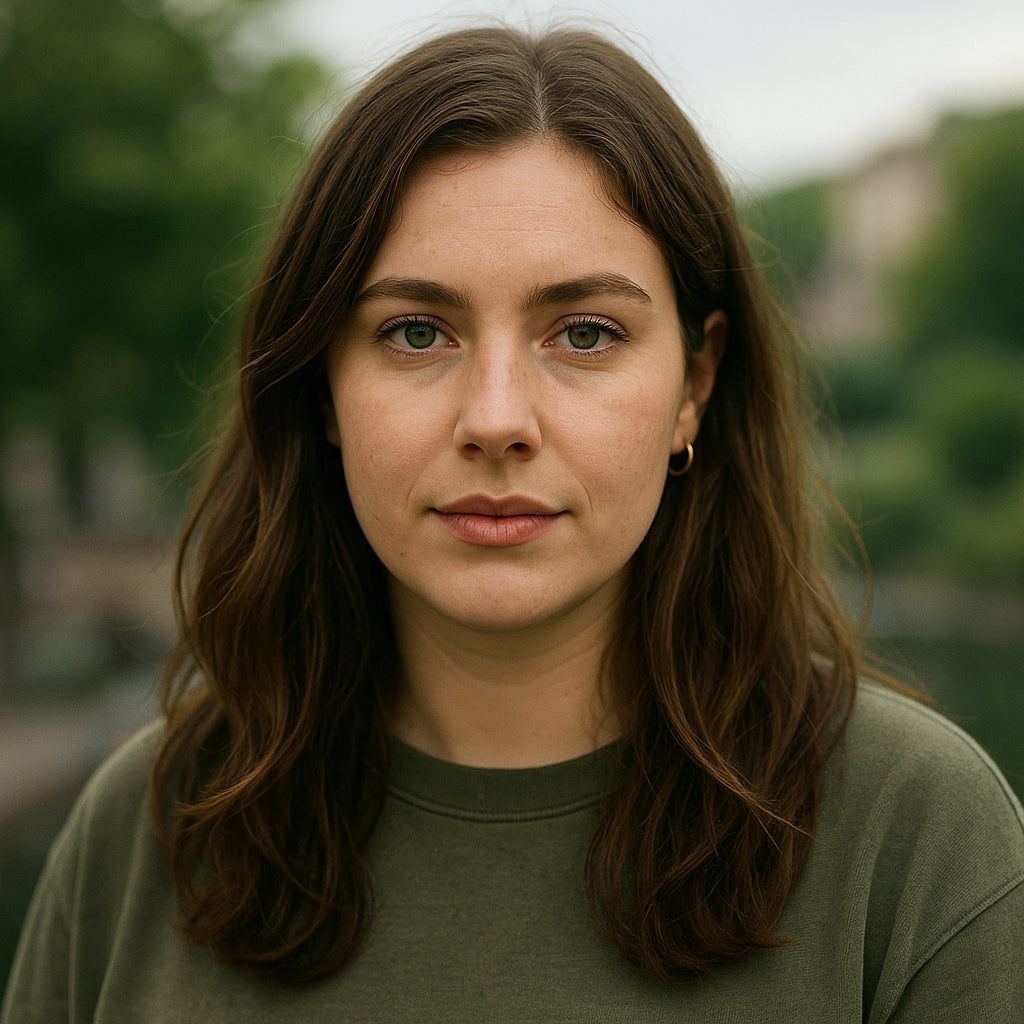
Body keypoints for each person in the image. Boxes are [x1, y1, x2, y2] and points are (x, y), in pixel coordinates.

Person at [3, 25, 1023, 1024]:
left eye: (584, 334)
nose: (495, 419)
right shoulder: (149, 829)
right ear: (322, 385)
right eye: (415, 332)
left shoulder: (920, 841)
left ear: (694, 383)